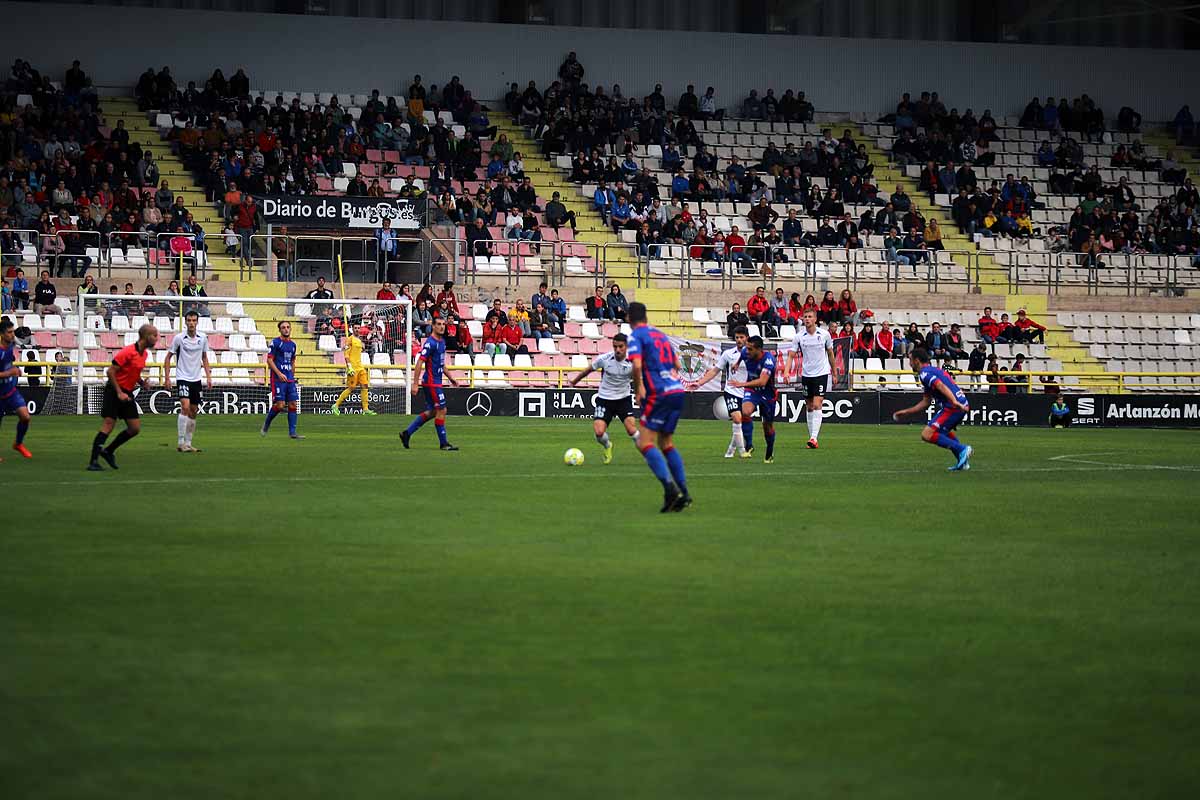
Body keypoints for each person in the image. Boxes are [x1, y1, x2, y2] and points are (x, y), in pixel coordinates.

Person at [627, 302, 690, 512]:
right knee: (666, 443)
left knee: (644, 442)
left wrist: (639, 388)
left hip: (658, 393)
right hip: (676, 391)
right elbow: (678, 366)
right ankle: (684, 493)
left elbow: (636, 365)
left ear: (629, 318)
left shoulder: (636, 336)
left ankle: (670, 490)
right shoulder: (661, 335)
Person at [88, 324, 159, 471]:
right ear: (146, 337)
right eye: (154, 335)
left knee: (134, 428)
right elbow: (110, 372)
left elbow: (132, 371)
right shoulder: (128, 351)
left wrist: (141, 382)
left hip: (127, 393)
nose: (157, 338)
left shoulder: (144, 354)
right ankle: (93, 461)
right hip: (114, 392)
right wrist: (119, 392)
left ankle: (108, 451)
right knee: (108, 424)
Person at [891, 347, 974, 472]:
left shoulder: (925, 373)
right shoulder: (933, 370)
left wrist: (954, 401)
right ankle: (962, 462)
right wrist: (907, 412)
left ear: (917, 361)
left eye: (910, 360)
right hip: (959, 404)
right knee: (942, 432)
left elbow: (940, 385)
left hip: (953, 406)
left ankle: (962, 449)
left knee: (926, 434)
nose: (909, 363)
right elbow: (926, 402)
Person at [569, 333, 640, 464]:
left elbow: (636, 380)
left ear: (626, 347)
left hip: (623, 399)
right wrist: (574, 381)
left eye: (620, 347)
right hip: (604, 399)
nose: (617, 350)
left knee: (631, 430)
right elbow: (587, 371)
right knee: (599, 432)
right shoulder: (605, 359)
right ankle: (608, 446)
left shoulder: (633, 363)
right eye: (615, 347)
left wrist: (638, 394)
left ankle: (649, 454)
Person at [687, 326, 750, 458]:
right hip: (731, 391)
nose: (739, 340)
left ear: (747, 338)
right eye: (737, 337)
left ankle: (730, 451)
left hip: (747, 392)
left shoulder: (752, 354)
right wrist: (699, 383)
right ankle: (743, 451)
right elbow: (715, 371)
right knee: (737, 418)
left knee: (741, 421)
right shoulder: (728, 354)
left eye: (741, 337)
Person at [401, 316, 459, 451]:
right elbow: (420, 362)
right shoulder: (430, 343)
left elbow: (441, 363)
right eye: (438, 324)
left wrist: (451, 378)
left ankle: (407, 433)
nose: (442, 326)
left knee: (433, 411)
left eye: (443, 324)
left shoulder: (442, 342)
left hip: (436, 382)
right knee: (442, 410)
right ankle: (443, 443)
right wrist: (415, 384)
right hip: (431, 383)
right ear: (433, 326)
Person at [786, 309, 837, 449]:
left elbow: (831, 354)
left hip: (821, 373)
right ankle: (811, 437)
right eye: (805, 317)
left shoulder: (824, 335)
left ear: (815, 319)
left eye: (810, 317)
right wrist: (786, 372)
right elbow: (791, 355)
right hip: (807, 374)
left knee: (817, 404)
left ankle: (814, 438)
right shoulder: (799, 337)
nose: (807, 319)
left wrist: (834, 372)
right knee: (809, 406)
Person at [162, 310, 212, 453]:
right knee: (185, 406)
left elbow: (204, 358)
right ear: (185, 322)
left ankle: (188, 443)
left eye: (193, 320)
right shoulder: (179, 338)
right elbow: (167, 358)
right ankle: (180, 442)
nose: (191, 323)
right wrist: (167, 378)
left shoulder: (202, 338)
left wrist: (208, 376)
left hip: (196, 379)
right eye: (189, 320)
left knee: (194, 410)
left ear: (197, 322)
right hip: (182, 377)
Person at [731, 335, 778, 463]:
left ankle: (769, 451)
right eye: (747, 348)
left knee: (767, 426)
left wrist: (741, 384)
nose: (747, 351)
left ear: (759, 350)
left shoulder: (768, 360)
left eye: (750, 349)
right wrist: (736, 363)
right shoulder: (746, 352)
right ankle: (749, 445)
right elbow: (742, 355)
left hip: (767, 393)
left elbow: (763, 382)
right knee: (745, 412)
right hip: (752, 390)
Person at [261, 321, 304, 439]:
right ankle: (267, 423)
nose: (286, 329)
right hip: (278, 378)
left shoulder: (293, 345)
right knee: (280, 405)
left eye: (288, 327)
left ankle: (292, 433)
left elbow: (293, 361)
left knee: (293, 404)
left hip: (289, 378)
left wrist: (292, 375)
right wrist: (279, 373)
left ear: (291, 329)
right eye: (283, 327)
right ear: (279, 330)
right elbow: (269, 360)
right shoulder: (275, 343)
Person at [0, 319, 33, 461]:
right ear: (1, 334)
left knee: (25, 417)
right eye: (9, 332)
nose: (12, 335)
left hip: (10, 390)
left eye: (13, 331)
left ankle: (18, 444)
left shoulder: (12, 343)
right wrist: (10, 373)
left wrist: (15, 369)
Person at [331, 325, 376, 416]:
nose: (357, 329)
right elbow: (346, 354)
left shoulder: (359, 340)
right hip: (353, 368)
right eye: (355, 328)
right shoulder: (350, 339)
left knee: (365, 386)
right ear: (353, 329)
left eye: (358, 328)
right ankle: (335, 405)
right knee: (351, 388)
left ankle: (366, 409)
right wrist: (349, 366)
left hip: (360, 367)